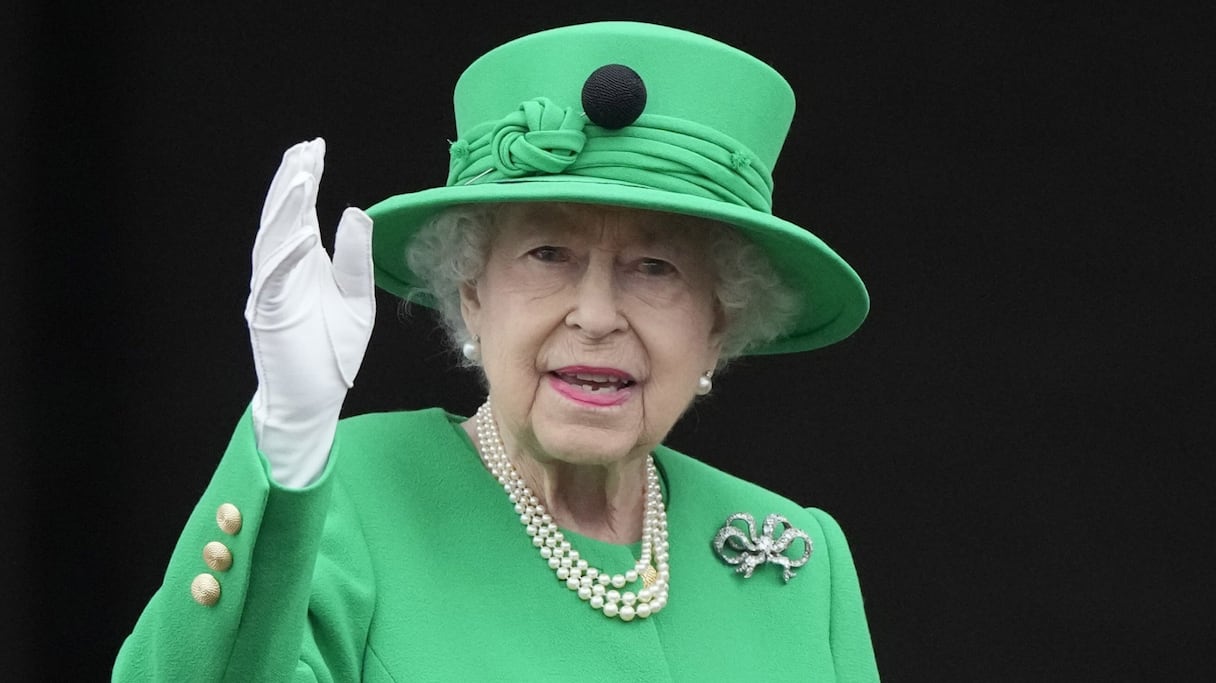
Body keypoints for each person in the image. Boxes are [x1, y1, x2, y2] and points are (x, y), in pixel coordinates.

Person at [113, 21, 879, 681]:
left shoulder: (799, 559)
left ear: (719, 323)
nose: (596, 314)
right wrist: (285, 437)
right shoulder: (347, 499)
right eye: (548, 254)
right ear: (471, 292)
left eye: (656, 267)